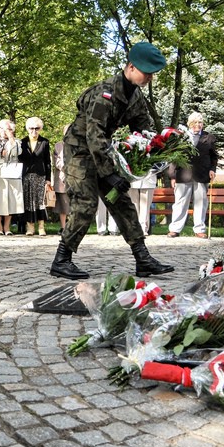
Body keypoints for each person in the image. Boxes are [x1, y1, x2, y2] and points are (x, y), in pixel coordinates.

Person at [50, 42, 174, 280]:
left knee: (121, 202)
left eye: (151, 73)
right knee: (85, 203)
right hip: (79, 151)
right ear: (130, 67)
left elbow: (142, 128)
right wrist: (110, 174)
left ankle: (142, 259)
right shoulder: (105, 93)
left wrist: (153, 151)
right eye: (146, 72)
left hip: (102, 151)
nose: (149, 77)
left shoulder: (135, 96)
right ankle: (61, 260)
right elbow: (93, 134)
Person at [168, 111, 219, 239]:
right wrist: (172, 175)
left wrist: (213, 169)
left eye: (200, 122)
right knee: (180, 203)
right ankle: (175, 229)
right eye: (195, 122)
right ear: (190, 124)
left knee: (201, 203)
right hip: (183, 174)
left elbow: (214, 157)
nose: (198, 125)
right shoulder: (182, 137)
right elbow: (174, 156)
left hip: (202, 174)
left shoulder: (209, 138)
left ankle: (199, 229)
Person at [0, 119, 23, 235]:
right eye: (2, 128)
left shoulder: (16, 142)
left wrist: (11, 137)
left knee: (11, 200)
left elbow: (17, 152)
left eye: (8, 129)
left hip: (12, 172)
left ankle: (7, 227)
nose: (4, 131)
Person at [19, 117, 52, 236]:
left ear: (40, 129)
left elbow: (48, 161)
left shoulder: (44, 142)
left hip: (40, 176)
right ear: (27, 129)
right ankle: (30, 227)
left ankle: (41, 227)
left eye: (37, 128)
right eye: (31, 128)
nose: (34, 131)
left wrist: (48, 179)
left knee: (40, 202)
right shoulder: (22, 142)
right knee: (28, 201)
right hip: (26, 176)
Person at [129, 171, 157, 236]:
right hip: (132, 178)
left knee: (145, 206)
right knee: (134, 204)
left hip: (149, 177)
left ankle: (143, 227)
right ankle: (135, 227)